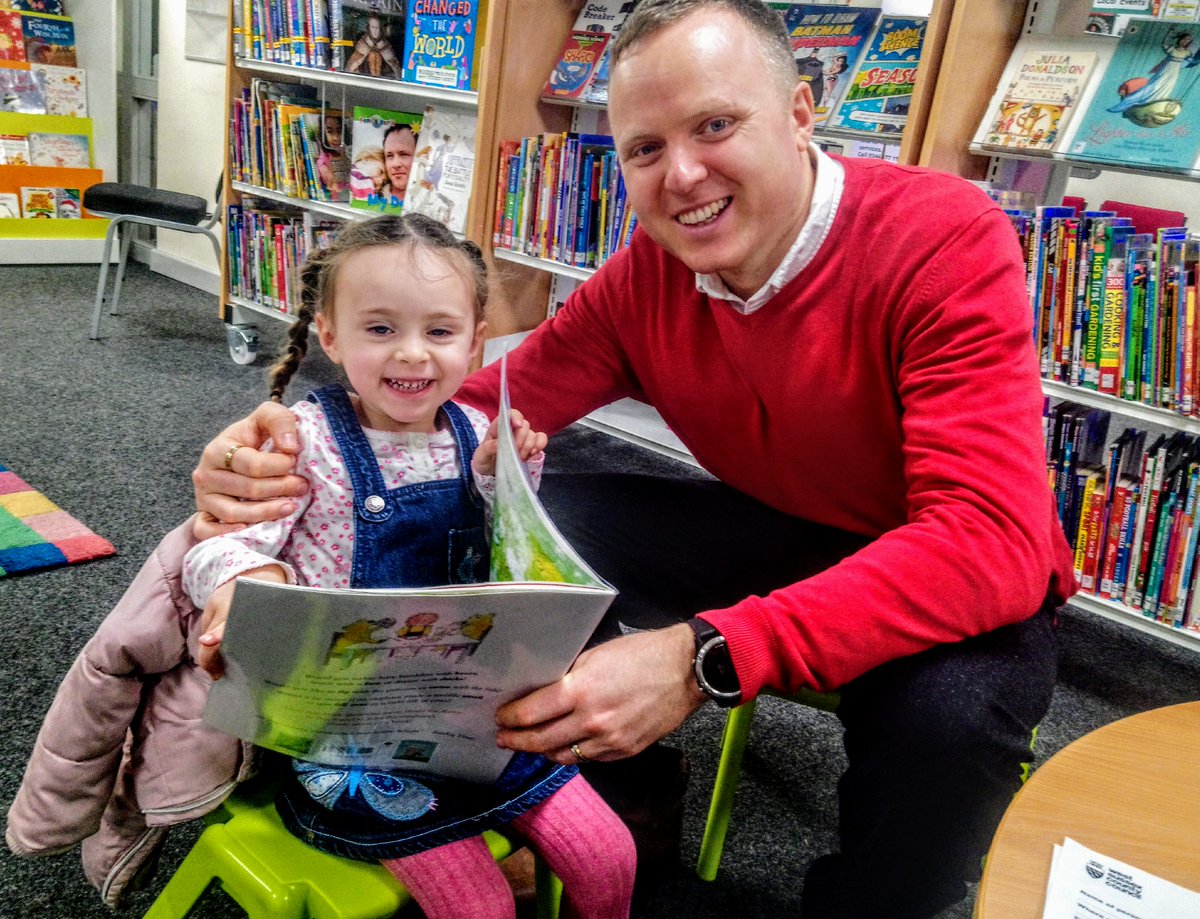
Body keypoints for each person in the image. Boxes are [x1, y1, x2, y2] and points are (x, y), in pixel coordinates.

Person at [191, 2, 1075, 916]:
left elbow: (989, 537)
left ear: (804, 113)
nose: (682, 174)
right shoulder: (650, 273)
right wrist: (279, 455)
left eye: (716, 125)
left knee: (948, 722)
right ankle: (612, 797)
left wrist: (705, 658)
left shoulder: (943, 236)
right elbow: (454, 410)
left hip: (948, 563)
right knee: (520, 514)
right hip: (781, 524)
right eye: (645, 149)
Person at [187, 213, 636, 919]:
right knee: (478, 903)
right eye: (380, 328)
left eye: (439, 331)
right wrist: (247, 579)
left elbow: (503, 559)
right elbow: (217, 541)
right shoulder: (301, 439)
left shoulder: (474, 429)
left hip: (467, 712)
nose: (413, 354)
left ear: (475, 341)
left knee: (609, 853)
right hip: (342, 736)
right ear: (329, 335)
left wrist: (502, 481)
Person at [344, 13, 402, 79]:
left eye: (377, 28)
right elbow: (352, 65)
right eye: (372, 27)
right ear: (369, 28)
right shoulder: (363, 43)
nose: (375, 31)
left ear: (380, 29)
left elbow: (395, 67)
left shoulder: (386, 46)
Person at [382, 122, 417, 202]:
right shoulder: (372, 196)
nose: (396, 164)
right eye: (390, 156)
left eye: (403, 154)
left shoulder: (433, 201)